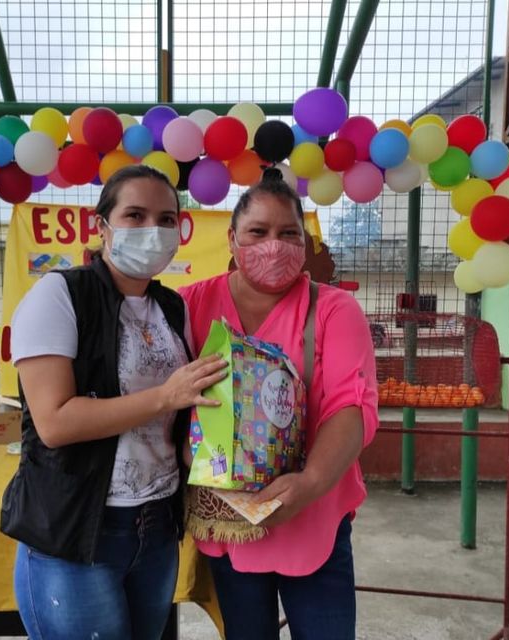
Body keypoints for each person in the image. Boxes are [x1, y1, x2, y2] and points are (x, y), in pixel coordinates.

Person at [0, 165, 227, 640]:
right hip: (78, 529)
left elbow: (179, 418)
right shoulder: (60, 295)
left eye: (167, 220)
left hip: (156, 524)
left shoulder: (172, 308)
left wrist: (223, 461)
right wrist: (164, 395)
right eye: (135, 215)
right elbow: (54, 423)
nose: (153, 230)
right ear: (101, 226)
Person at [179, 171, 379, 639]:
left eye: (289, 233)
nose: (274, 245)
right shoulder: (190, 304)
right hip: (231, 522)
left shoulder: (334, 310)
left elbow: (351, 407)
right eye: (258, 232)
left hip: (313, 515)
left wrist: (311, 483)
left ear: (305, 243)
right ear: (232, 239)